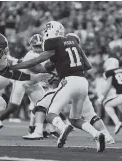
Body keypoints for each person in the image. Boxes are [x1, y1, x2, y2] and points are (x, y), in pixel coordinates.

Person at [10, 21, 106, 152]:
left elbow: (35, 61)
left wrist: (13, 66)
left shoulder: (53, 43)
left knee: (50, 114)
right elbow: (88, 66)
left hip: (69, 82)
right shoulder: (73, 40)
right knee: (75, 119)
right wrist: (61, 64)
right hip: (83, 82)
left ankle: (62, 127)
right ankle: (97, 134)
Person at [23, 33, 114, 145]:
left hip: (67, 84)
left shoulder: (60, 50)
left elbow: (48, 67)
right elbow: (88, 66)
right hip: (82, 85)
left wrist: (53, 72)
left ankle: (46, 130)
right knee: (88, 115)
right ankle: (106, 136)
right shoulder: (78, 53)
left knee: (43, 105)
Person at [0, 34, 48, 134]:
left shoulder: (45, 54)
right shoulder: (30, 55)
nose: (38, 49)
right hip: (22, 82)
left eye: (39, 46)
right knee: (13, 107)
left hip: (34, 84)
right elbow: (36, 69)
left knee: (44, 106)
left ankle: (38, 128)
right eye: (36, 46)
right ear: (31, 46)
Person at [97, 58, 122, 134]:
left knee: (106, 104)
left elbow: (108, 86)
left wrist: (102, 97)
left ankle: (117, 122)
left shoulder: (110, 72)